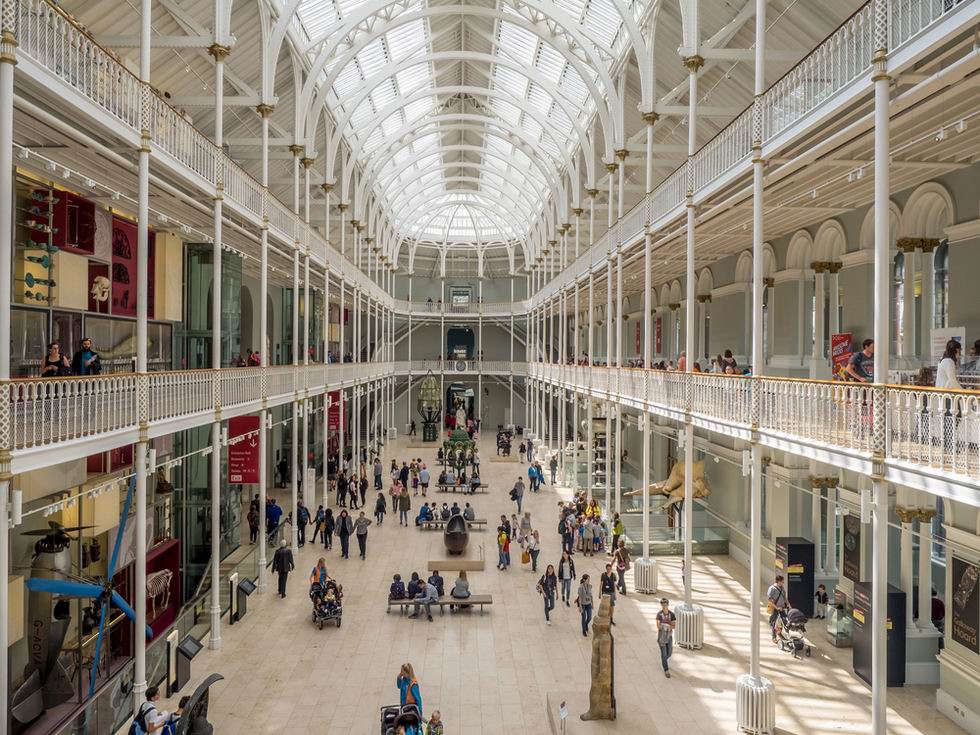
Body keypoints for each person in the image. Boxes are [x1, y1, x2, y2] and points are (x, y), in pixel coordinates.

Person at [656, 598, 677, 677]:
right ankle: (666, 670)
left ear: (668, 605)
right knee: (664, 654)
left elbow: (674, 626)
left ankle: (664, 660)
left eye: (665, 605)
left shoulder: (672, 614)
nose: (664, 606)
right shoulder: (659, 614)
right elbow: (658, 625)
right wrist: (667, 626)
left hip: (669, 636)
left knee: (669, 652)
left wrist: (666, 626)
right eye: (663, 605)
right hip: (661, 637)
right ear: (661, 605)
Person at [767, 574, 789, 642]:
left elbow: (784, 597)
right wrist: (776, 607)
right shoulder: (772, 588)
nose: (783, 583)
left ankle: (779, 633)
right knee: (774, 622)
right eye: (782, 582)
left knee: (783, 621)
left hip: (781, 608)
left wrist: (788, 604)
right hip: (775, 608)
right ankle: (774, 637)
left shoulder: (782, 587)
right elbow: (769, 599)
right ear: (778, 581)